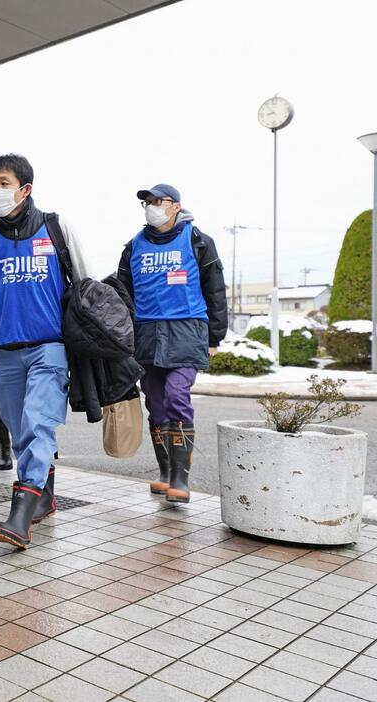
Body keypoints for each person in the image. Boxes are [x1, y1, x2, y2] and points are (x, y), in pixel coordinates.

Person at [0, 154, 88, 549]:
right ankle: (46, 494)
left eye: (4, 182)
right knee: (21, 429)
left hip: (49, 348)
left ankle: (19, 515)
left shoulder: (56, 229)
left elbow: (87, 288)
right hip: (4, 352)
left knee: (39, 423)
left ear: (25, 189)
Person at [116, 184, 227, 503]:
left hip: (187, 330)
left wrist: (214, 336)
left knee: (177, 394)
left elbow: (215, 290)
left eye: (157, 201)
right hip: (146, 334)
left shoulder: (198, 241)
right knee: (155, 401)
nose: (151, 206)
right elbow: (123, 294)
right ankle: (166, 473)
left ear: (176, 206)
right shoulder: (133, 247)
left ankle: (181, 477)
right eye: (147, 202)